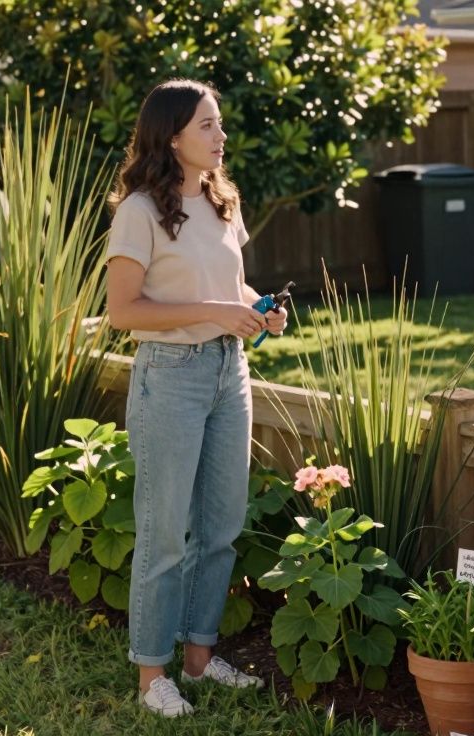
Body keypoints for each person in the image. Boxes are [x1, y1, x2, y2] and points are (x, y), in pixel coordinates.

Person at [104, 78, 287, 718]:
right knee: (165, 533)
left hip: (227, 373)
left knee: (221, 528)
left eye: (219, 123)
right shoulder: (138, 211)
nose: (221, 136)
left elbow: (229, 287)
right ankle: (152, 672)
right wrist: (213, 308)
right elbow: (124, 311)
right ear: (172, 135)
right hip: (170, 377)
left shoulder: (222, 201)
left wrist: (256, 309)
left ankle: (200, 658)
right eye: (207, 125)